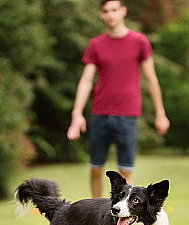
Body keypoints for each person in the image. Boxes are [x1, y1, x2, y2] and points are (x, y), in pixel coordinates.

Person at [66, 0, 170, 198]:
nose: (110, 15)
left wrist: (160, 114)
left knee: (126, 170)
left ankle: (126, 210)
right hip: (100, 113)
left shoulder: (140, 42)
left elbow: (151, 79)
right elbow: (86, 81)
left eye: (114, 10)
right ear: (101, 14)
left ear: (123, 11)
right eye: (106, 11)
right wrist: (77, 114)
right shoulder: (96, 45)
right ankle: (96, 210)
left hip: (128, 114)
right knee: (96, 167)